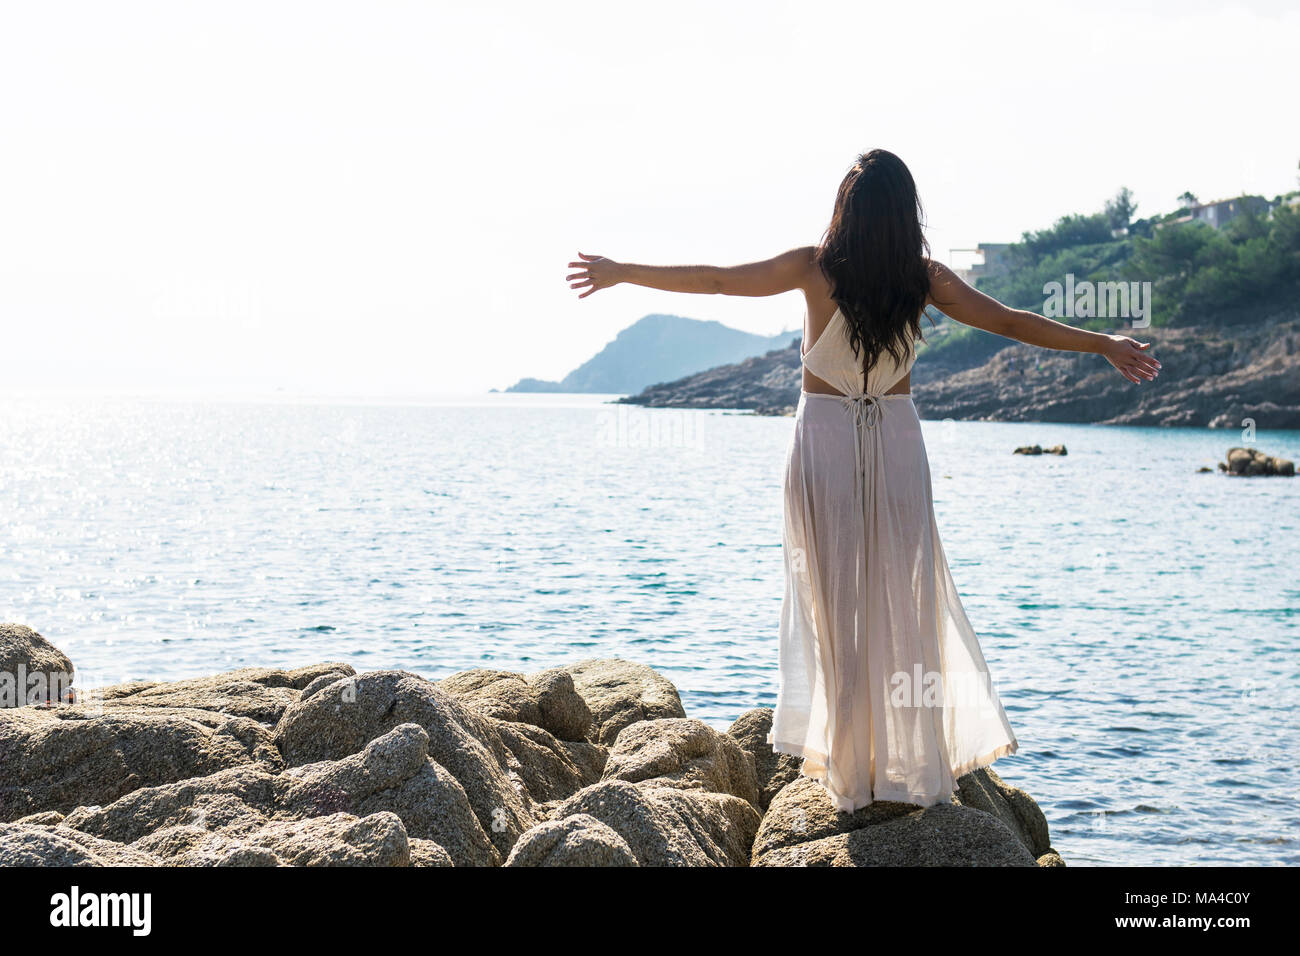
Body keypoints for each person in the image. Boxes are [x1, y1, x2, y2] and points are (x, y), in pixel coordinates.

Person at [565, 148, 1159, 811]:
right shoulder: (924, 278)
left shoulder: (813, 268)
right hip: (898, 443)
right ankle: (907, 761)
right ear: (907, 214)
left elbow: (716, 281)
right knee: (903, 602)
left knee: (834, 606)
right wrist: (1103, 343)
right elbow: (1012, 323)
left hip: (824, 438)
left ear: (846, 208)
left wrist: (622, 271)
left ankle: (851, 768)